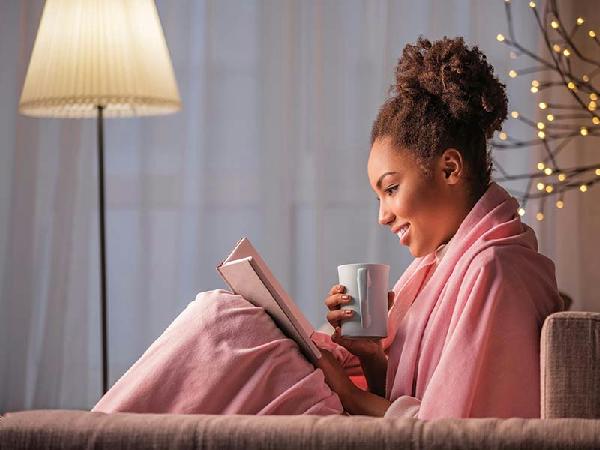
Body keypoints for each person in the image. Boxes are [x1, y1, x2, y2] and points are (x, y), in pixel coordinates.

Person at [92, 36, 563, 419]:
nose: (383, 215)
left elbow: (454, 429)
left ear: (450, 169)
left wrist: (351, 395)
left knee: (222, 322)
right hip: (362, 419)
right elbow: (412, 397)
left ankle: (92, 435)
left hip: (363, 426)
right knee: (222, 319)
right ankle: (97, 433)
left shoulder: (496, 269)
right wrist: (371, 357)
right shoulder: (444, 265)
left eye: (391, 188)